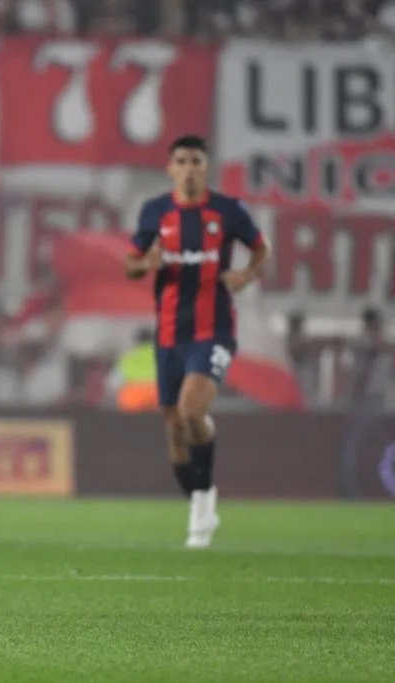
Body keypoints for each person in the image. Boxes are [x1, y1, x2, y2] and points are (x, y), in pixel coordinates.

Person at [124, 135, 270, 549]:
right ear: (170, 168)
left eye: (197, 161)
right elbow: (131, 263)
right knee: (174, 429)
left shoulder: (226, 211)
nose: (189, 168)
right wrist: (145, 263)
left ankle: (204, 500)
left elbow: (261, 249)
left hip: (213, 331)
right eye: (182, 160)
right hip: (169, 333)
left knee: (191, 411)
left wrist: (245, 275)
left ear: (207, 168)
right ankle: (198, 499)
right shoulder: (156, 212)